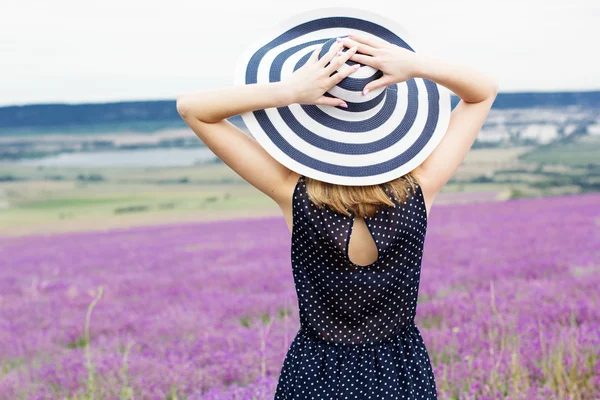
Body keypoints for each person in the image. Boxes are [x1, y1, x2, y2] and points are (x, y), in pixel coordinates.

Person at [177, 31, 497, 399]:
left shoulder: (290, 192)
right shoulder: (421, 188)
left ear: (309, 128)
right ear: (390, 128)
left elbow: (192, 108)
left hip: (315, 373)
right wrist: (415, 66)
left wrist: (289, 91)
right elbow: (483, 91)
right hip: (400, 371)